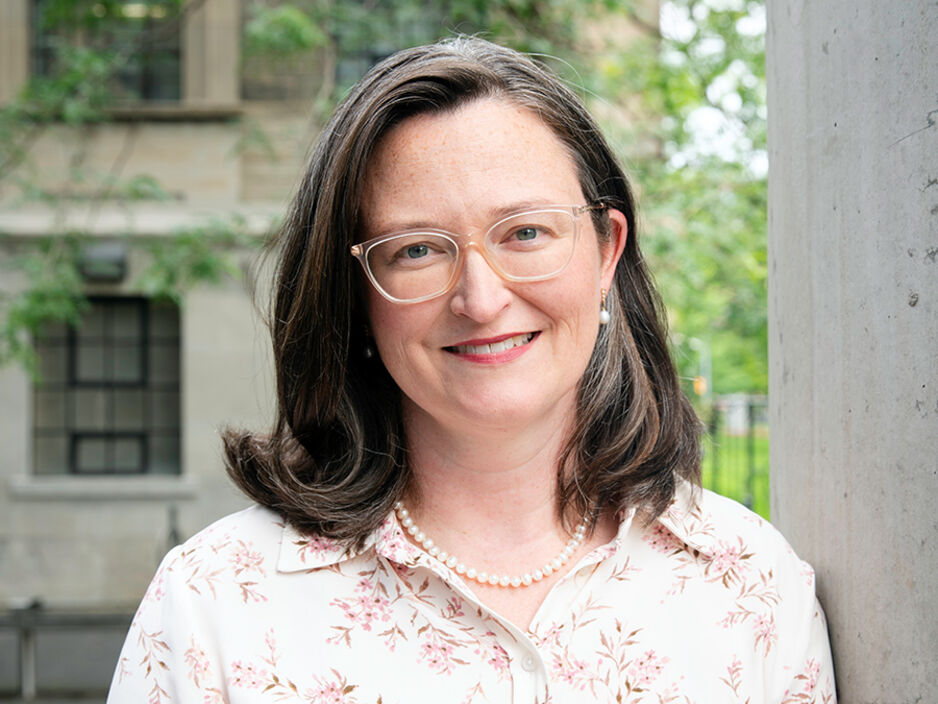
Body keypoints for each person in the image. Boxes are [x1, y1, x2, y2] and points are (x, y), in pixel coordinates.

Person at [108, 37, 835, 703]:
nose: (481, 300)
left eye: (526, 232)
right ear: (355, 295)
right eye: (417, 249)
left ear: (606, 253)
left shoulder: (749, 587)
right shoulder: (214, 607)